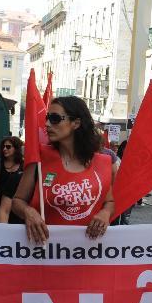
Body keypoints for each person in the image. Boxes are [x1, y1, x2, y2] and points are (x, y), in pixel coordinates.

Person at [10, 97, 116, 243]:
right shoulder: (39, 159)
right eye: (47, 118)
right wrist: (29, 212)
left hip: (87, 252)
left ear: (76, 123)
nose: (47, 124)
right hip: (44, 251)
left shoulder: (102, 162)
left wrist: (105, 213)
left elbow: (109, 202)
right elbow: (17, 202)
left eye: (55, 118)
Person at [0, 137, 24, 223]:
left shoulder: (23, 165)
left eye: (8, 147)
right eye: (3, 147)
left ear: (16, 148)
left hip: (16, 205)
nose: (4, 149)